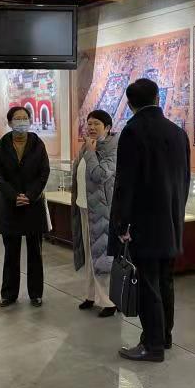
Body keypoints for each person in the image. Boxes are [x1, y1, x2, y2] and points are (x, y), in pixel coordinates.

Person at [109, 78, 190, 363]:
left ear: (130, 104)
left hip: (144, 223)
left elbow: (126, 183)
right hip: (172, 221)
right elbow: (185, 180)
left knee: (147, 284)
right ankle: (164, 336)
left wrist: (122, 223)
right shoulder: (178, 133)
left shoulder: (132, 132)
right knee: (165, 281)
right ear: (158, 98)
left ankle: (152, 345)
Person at [0, 106, 50, 308]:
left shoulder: (37, 143)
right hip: (10, 205)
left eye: (25, 118)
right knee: (11, 252)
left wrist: (30, 195)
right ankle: (9, 294)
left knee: (35, 252)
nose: (21, 121)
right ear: (10, 122)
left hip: (33, 205)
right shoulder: (3, 144)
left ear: (30, 121)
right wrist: (13, 196)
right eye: (17, 118)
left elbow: (44, 172)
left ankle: (36, 293)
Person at [72, 110, 118, 318]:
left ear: (107, 127)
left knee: (102, 256)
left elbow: (100, 175)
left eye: (96, 124)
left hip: (101, 211)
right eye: (89, 123)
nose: (91, 127)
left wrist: (90, 153)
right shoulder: (88, 145)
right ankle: (91, 295)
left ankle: (109, 301)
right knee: (90, 255)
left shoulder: (112, 148)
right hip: (84, 207)